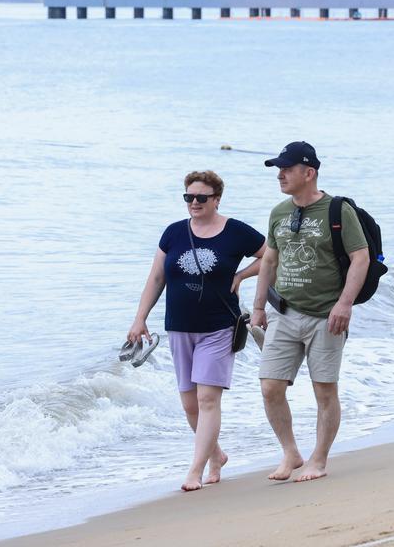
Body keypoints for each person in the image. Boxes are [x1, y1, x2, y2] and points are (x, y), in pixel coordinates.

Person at [127, 170, 266, 492]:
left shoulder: (235, 231)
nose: (194, 203)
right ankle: (216, 455)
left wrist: (242, 275)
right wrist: (139, 318)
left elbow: (271, 253)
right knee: (190, 404)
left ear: (217, 199)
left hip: (219, 326)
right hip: (179, 327)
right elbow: (156, 279)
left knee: (206, 399)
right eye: (189, 197)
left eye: (201, 198)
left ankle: (195, 469)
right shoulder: (173, 233)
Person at [250, 141, 369, 483]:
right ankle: (291, 452)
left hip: (326, 316)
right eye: (278, 169)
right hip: (283, 314)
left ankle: (319, 458)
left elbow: (360, 258)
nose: (281, 175)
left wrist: (345, 303)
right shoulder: (278, 212)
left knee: (324, 391)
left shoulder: (337, 211)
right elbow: (269, 260)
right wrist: (258, 307)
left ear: (309, 172)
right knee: (270, 387)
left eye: (286, 169)